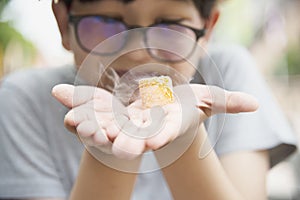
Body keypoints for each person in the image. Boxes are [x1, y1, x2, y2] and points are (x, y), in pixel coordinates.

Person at [0, 0, 297, 199]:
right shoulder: (21, 100)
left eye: (168, 25)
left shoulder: (228, 76)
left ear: (207, 28)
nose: (137, 49)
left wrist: (185, 138)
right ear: (64, 22)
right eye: (105, 22)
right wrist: (110, 150)